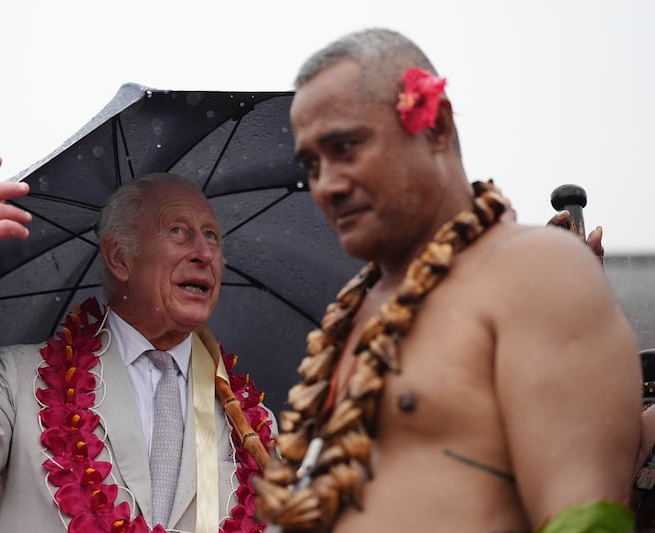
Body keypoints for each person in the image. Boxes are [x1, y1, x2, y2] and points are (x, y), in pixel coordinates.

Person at [254, 28, 641, 532]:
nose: (326, 184)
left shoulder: (536, 270)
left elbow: (586, 521)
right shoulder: (353, 310)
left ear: (434, 125)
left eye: (345, 147)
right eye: (312, 163)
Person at [0, 161, 274, 532]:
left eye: (212, 236)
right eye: (178, 231)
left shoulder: (254, 426)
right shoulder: (23, 382)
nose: (204, 254)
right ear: (119, 258)